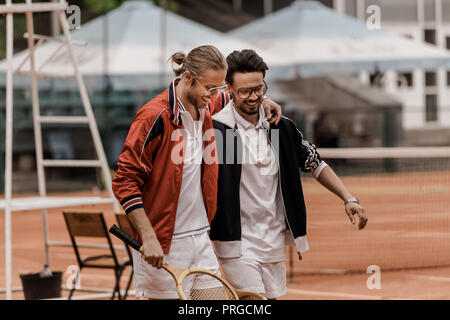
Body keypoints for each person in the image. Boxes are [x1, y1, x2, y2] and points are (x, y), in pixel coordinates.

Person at [112, 45, 282, 299]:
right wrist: (148, 237)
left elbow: (235, 96)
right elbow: (125, 179)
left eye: (219, 89)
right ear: (188, 78)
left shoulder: (207, 104)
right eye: (210, 89)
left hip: (201, 240)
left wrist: (263, 100)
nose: (215, 96)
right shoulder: (154, 116)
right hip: (163, 245)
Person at [210, 49, 368, 300]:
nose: (253, 97)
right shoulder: (220, 129)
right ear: (228, 87)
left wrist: (348, 198)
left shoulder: (279, 126)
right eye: (244, 91)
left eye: (259, 89)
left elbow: (314, 163)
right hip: (235, 242)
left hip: (273, 240)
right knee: (254, 301)